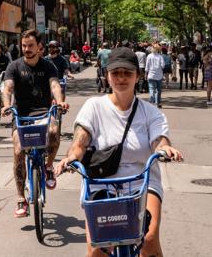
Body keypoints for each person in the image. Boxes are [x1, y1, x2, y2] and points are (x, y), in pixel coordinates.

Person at [57, 47, 185, 257]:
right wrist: (71, 157)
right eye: (116, 72)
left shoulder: (151, 112)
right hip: (102, 182)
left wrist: (164, 149)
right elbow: (80, 141)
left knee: (149, 239)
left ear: (138, 76)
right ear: (107, 76)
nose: (121, 78)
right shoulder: (93, 106)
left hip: (141, 182)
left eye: (128, 73)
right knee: (97, 246)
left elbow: (159, 141)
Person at [0, 30, 67, 217]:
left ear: (40, 47)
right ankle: (21, 199)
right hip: (21, 114)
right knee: (18, 150)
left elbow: (55, 85)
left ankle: (48, 168)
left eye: (30, 45)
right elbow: (8, 88)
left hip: (43, 113)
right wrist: (6, 105)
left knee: (54, 131)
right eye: (24, 45)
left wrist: (60, 102)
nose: (26, 49)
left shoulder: (48, 66)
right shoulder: (14, 66)